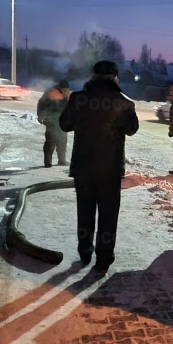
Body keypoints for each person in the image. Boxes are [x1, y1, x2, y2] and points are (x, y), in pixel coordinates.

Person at [59, 60, 139, 272]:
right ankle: (104, 259)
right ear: (115, 78)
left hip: (83, 168)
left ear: (93, 76)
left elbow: (64, 124)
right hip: (110, 170)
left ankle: (84, 252)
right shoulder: (123, 103)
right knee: (108, 215)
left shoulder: (78, 98)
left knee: (85, 211)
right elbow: (132, 129)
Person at [37, 80, 71, 167]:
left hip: (62, 121)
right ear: (59, 87)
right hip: (51, 120)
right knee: (50, 142)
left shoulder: (67, 94)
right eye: (64, 89)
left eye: (66, 89)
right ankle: (48, 162)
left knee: (62, 141)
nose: (65, 90)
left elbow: (70, 106)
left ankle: (62, 160)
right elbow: (41, 104)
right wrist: (40, 116)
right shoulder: (50, 92)